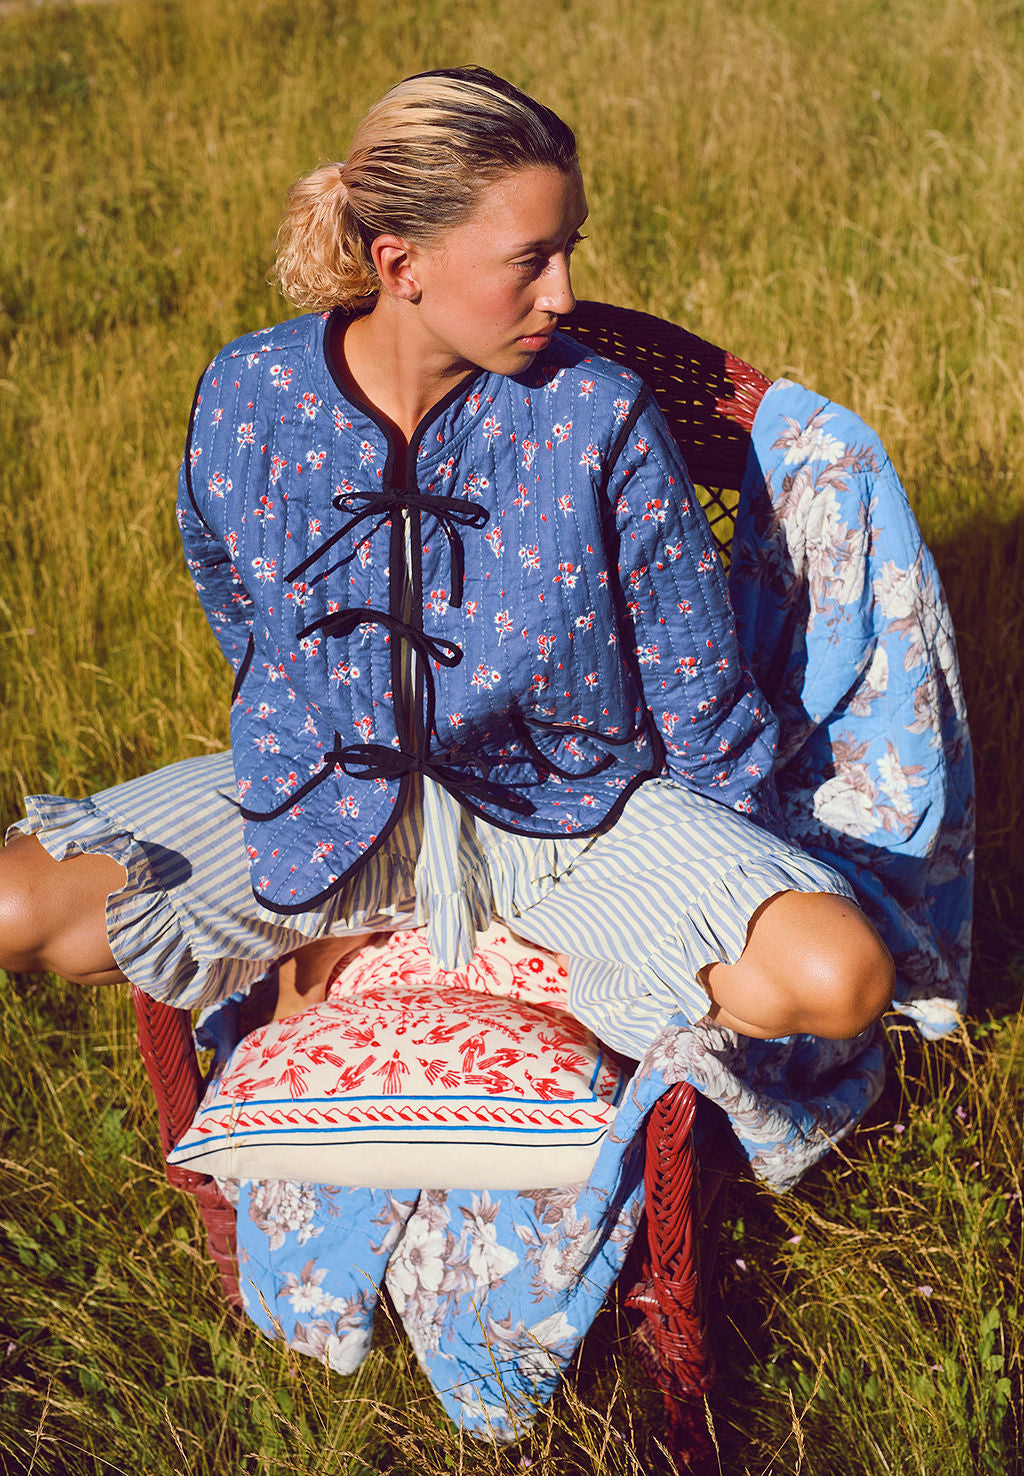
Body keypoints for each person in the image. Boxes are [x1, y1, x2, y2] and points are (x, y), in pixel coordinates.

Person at [0, 66, 893, 1060]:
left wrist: (730, 863)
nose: (563, 294)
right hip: (322, 794)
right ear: (400, 264)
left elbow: (696, 682)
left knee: (837, 975)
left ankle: (551, 970)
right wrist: (302, 742)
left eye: (570, 249)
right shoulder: (249, 393)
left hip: (572, 816)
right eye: (530, 260)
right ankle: (349, 925)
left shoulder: (598, 413)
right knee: (20, 908)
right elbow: (235, 605)